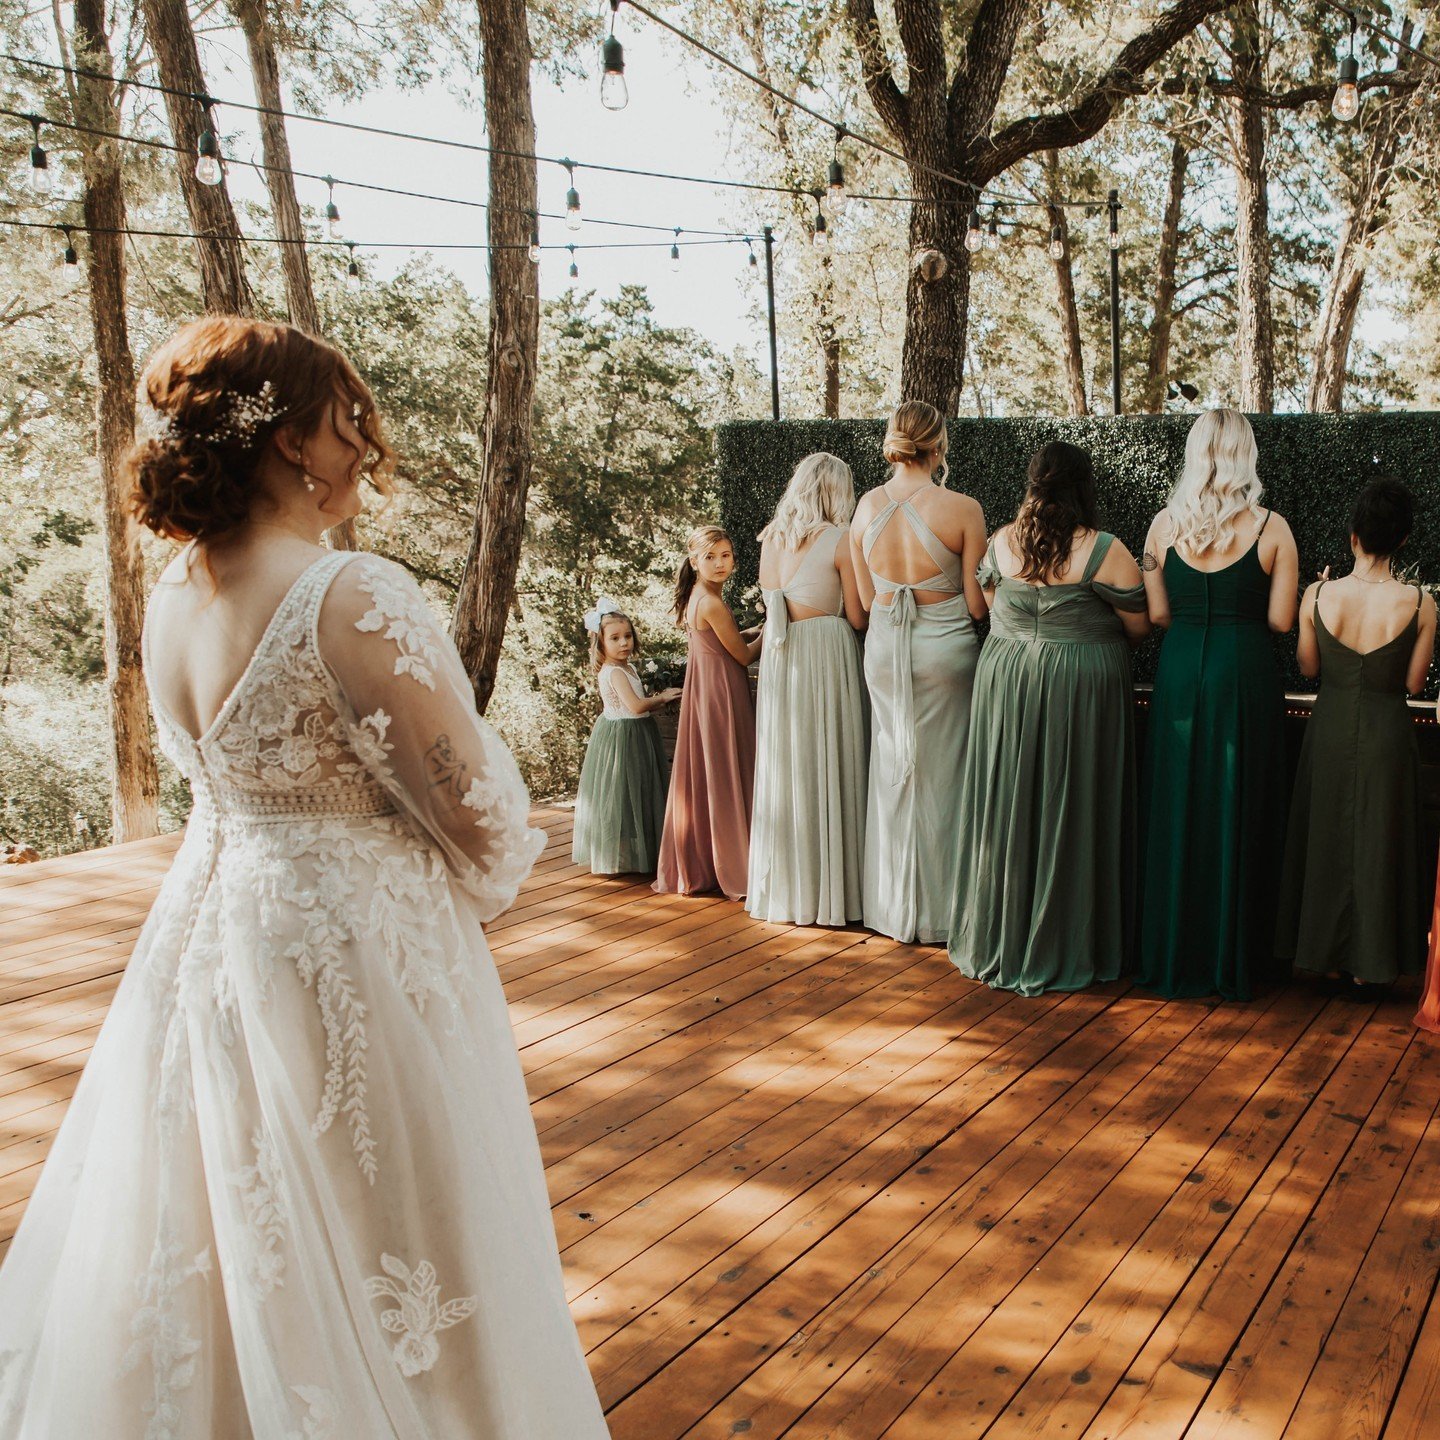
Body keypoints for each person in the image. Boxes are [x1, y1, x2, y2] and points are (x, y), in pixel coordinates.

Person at [0, 318, 610, 1439]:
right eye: (348, 427)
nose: (364, 453)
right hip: (350, 958)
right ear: (289, 442)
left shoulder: (174, 594)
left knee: (218, 1224)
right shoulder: (346, 593)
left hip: (210, 935)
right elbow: (486, 828)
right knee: (398, 1230)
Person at [949, 441, 1150, 995]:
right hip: (1078, 686)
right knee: (1074, 800)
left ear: (1033, 484)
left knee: (1010, 801)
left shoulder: (1000, 542)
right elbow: (1139, 627)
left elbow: (989, 605)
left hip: (1008, 680)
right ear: (1084, 488)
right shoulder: (1106, 551)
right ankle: (1070, 938)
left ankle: (1003, 935)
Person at [1137, 409, 1299, 1000]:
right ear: (1245, 456)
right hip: (1244, 675)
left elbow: (1157, 615)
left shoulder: (1160, 528)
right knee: (1239, 803)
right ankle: (1238, 955)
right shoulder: (1272, 529)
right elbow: (1281, 620)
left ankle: (1176, 949)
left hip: (1181, 670)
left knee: (1180, 804)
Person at [1277, 479, 1436, 998]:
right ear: (1404, 540)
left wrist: (1315, 606)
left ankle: (1321, 957)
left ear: (1352, 537)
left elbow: (1307, 667)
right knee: (1380, 840)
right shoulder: (1419, 603)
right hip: (1389, 732)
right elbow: (1414, 684)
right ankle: (1372, 962)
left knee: (1325, 834)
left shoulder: (1319, 594)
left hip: (1330, 728)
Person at [851, 402, 987, 944]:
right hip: (944, 649)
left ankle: (890, 910)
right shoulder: (963, 508)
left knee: (892, 771)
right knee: (947, 776)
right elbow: (978, 607)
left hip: (884, 650)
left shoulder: (865, 507)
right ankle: (946, 912)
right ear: (939, 445)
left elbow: (865, 600)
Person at [747, 453, 868, 926]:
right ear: (837, 492)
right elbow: (858, 616)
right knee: (830, 760)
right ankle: (834, 891)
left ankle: (788, 890)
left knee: (790, 768)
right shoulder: (839, 540)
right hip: (824, 653)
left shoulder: (771, 540)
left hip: (782, 659)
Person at [654, 525, 760, 900]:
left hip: (709, 688)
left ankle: (710, 858)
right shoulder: (710, 602)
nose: (720, 564)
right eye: (711, 557)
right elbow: (744, 656)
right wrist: (776, 626)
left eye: (726, 555)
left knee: (711, 769)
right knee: (726, 768)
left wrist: (749, 630)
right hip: (721, 694)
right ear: (694, 560)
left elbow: (724, 639)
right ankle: (736, 862)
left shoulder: (699, 595)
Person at [571, 602, 679, 876]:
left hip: (639, 733)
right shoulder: (615, 671)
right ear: (600, 643)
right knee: (621, 793)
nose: (623, 643)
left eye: (627, 636)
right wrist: (663, 697)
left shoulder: (628, 668)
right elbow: (635, 706)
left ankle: (639, 850)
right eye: (615, 638)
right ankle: (618, 855)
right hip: (623, 737)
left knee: (640, 790)